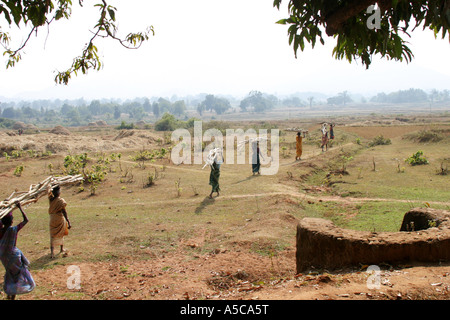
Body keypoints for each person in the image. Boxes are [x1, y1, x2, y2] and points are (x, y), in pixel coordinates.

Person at [0, 202, 35, 300]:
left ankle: (8, 293)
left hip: (3, 256)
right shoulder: (14, 229)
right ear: (11, 221)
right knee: (16, 275)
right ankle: (12, 296)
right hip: (13, 256)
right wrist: (20, 208)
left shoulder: (1, 230)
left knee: (9, 273)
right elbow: (26, 220)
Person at [48, 185, 71, 258]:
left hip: (52, 219)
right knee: (61, 233)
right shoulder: (61, 201)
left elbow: (48, 192)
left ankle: (52, 253)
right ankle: (61, 249)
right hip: (59, 219)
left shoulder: (51, 199)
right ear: (58, 192)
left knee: (52, 235)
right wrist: (68, 221)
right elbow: (64, 211)